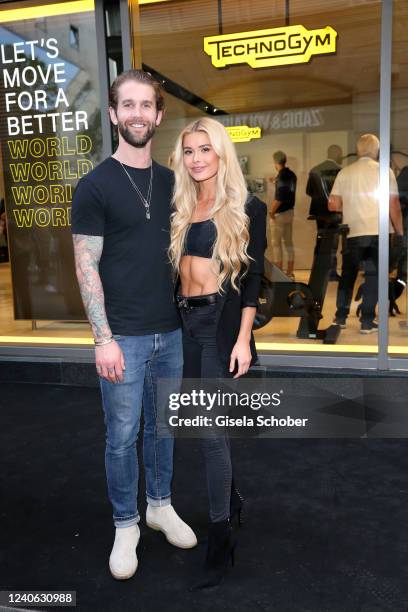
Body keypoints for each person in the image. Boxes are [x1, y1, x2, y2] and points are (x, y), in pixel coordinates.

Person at [71, 69, 197, 581]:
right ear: (114, 114)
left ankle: (160, 505)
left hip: (170, 332)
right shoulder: (95, 185)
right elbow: (86, 264)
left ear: (159, 116)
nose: (138, 113)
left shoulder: (173, 182)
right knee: (122, 435)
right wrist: (102, 338)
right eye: (129, 105)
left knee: (163, 427)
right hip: (120, 334)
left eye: (147, 105)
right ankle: (126, 523)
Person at [169, 117, 267, 588]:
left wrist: (244, 338)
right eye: (189, 151)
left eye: (205, 149)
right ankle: (230, 503)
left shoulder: (248, 207)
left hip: (218, 326)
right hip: (182, 324)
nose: (197, 159)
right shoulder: (182, 205)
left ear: (221, 153)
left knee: (209, 433)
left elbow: (252, 281)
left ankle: (220, 537)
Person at [329, 133, 403, 334]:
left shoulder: (345, 172)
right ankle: (367, 322)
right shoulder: (384, 171)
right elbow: (393, 204)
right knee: (374, 276)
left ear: (358, 150)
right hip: (379, 233)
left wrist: (351, 203)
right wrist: (400, 230)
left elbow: (333, 204)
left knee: (348, 275)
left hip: (353, 232)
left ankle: (341, 317)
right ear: (376, 151)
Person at [306, 145, 343, 280]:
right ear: (337, 154)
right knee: (332, 242)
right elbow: (342, 193)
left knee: (320, 240)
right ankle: (331, 273)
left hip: (319, 212)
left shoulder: (315, 170)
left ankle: (318, 271)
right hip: (334, 212)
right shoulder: (339, 171)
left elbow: (308, 191)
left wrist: (320, 201)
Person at [269, 150, 297, 278]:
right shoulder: (291, 175)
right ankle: (290, 272)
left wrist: (271, 211)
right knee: (289, 243)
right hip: (290, 212)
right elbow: (286, 189)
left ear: (275, 162)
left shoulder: (280, 177)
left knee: (276, 244)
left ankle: (279, 274)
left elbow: (279, 197)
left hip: (279, 215)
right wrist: (274, 181)